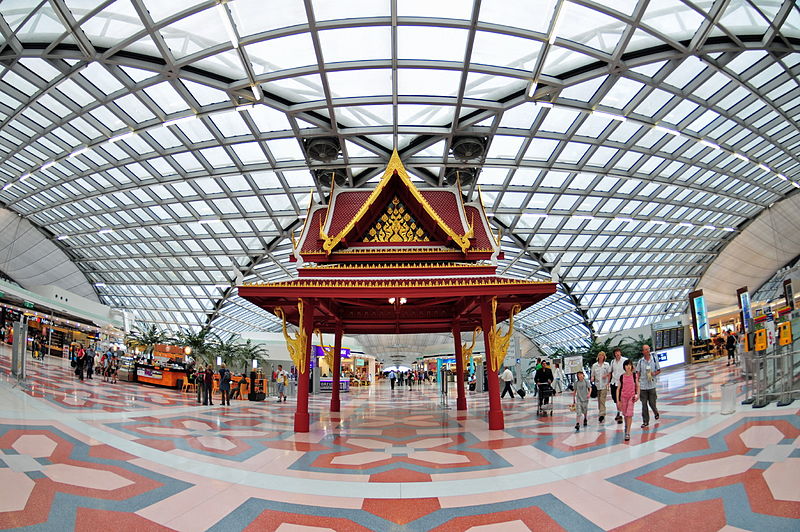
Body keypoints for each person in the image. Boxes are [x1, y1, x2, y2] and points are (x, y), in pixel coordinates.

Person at [636, 345, 661, 429]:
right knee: (644, 404)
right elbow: (638, 372)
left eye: (648, 349)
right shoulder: (640, 362)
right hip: (643, 386)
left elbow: (659, 370)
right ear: (643, 351)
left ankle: (655, 412)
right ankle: (645, 421)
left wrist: (654, 373)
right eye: (645, 350)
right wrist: (637, 380)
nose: (647, 351)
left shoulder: (654, 359)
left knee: (652, 403)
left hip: (652, 385)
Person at [617, 360, 640, 441]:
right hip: (623, 397)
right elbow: (618, 389)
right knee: (625, 414)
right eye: (626, 365)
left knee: (629, 414)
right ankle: (626, 426)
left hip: (631, 397)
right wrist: (618, 401)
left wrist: (638, 395)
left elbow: (637, 385)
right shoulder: (622, 377)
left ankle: (627, 433)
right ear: (624, 367)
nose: (628, 367)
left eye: (629, 365)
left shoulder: (634, 375)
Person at [590, 351, 611, 423]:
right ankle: (601, 411)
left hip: (604, 385)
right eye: (600, 355)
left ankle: (602, 414)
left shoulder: (607, 365)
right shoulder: (594, 365)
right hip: (597, 385)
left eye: (602, 355)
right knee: (599, 400)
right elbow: (592, 374)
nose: (601, 357)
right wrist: (592, 378)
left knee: (602, 399)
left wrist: (607, 377)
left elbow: (609, 373)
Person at [609, 348, 627, 424]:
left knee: (621, 398)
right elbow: (610, 372)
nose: (617, 354)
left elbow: (629, 370)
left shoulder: (625, 360)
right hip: (614, 382)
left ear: (620, 353)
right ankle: (618, 412)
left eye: (618, 352)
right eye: (616, 353)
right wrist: (608, 382)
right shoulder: (612, 362)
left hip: (622, 383)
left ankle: (620, 414)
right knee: (616, 399)